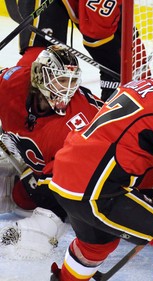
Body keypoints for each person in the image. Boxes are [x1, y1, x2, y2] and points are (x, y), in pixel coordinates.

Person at [48, 34, 153, 281]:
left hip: (65, 178)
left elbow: (132, 148)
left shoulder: (136, 86)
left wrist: (147, 192)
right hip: (95, 190)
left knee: (96, 245)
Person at [0, 45, 103, 257]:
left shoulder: (78, 121)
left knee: (29, 247)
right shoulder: (13, 83)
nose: (68, 89)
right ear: (39, 77)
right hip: (34, 169)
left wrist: (43, 182)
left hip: (81, 187)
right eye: (62, 80)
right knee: (23, 195)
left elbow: (74, 180)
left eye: (73, 81)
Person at [14, 0, 153, 101]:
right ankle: (15, 110)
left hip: (99, 13)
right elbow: (97, 37)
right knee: (39, 60)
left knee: (134, 71)